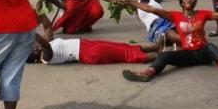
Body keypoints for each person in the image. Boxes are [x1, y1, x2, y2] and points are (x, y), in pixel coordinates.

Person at [118, 0, 218, 82]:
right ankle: (147, 73)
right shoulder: (174, 16)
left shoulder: (203, 14)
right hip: (187, 54)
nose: (189, 0)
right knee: (164, 56)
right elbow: (152, 9)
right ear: (181, 3)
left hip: (203, 53)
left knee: (210, 46)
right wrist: (131, 2)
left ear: (195, 2)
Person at [28, 34, 163, 65]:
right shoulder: (45, 58)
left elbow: (47, 28)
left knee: (123, 46)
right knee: (125, 54)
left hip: (86, 45)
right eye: (34, 50)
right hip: (88, 53)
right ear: (35, 58)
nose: (36, 47)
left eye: (33, 46)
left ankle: (156, 47)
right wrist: (33, 32)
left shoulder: (44, 47)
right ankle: (161, 56)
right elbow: (46, 45)